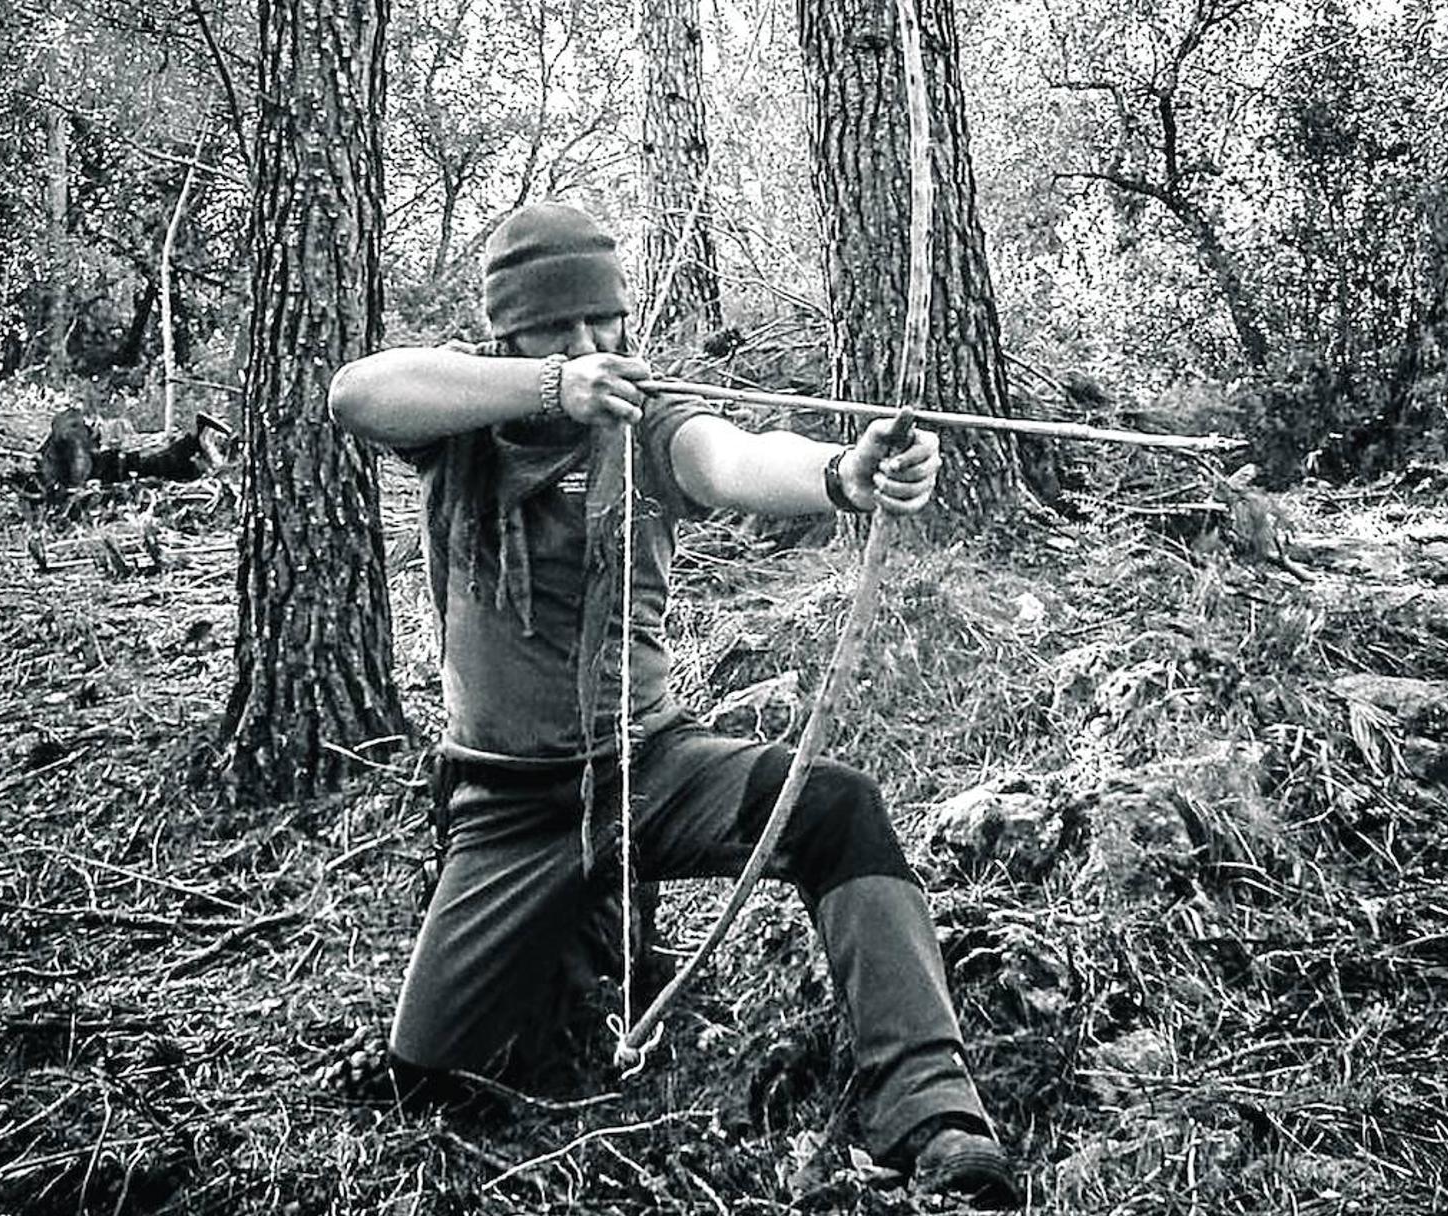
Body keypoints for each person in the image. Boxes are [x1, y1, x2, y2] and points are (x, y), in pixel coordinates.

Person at [329, 202, 1020, 1208]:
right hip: (506, 810)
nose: (589, 345)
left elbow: (732, 458)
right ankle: (585, 953)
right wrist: (552, 389)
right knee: (434, 1073)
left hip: (648, 769)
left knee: (834, 807)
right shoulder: (463, 422)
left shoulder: (647, 421)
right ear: (506, 335)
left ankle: (932, 1107)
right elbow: (357, 394)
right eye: (556, 329)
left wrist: (842, 475)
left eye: (602, 322)